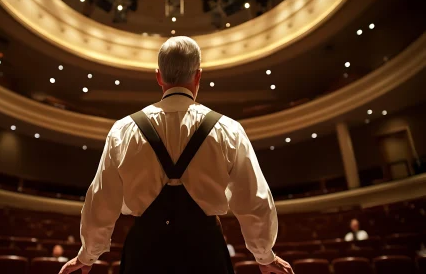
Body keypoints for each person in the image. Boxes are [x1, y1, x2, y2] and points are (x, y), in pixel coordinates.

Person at [59, 36, 293, 274]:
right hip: (206, 254)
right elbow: (254, 199)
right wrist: (264, 255)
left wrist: (88, 255)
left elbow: (101, 199)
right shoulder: (229, 130)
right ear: (198, 75)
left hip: (144, 255)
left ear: (158, 76)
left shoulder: (122, 130)